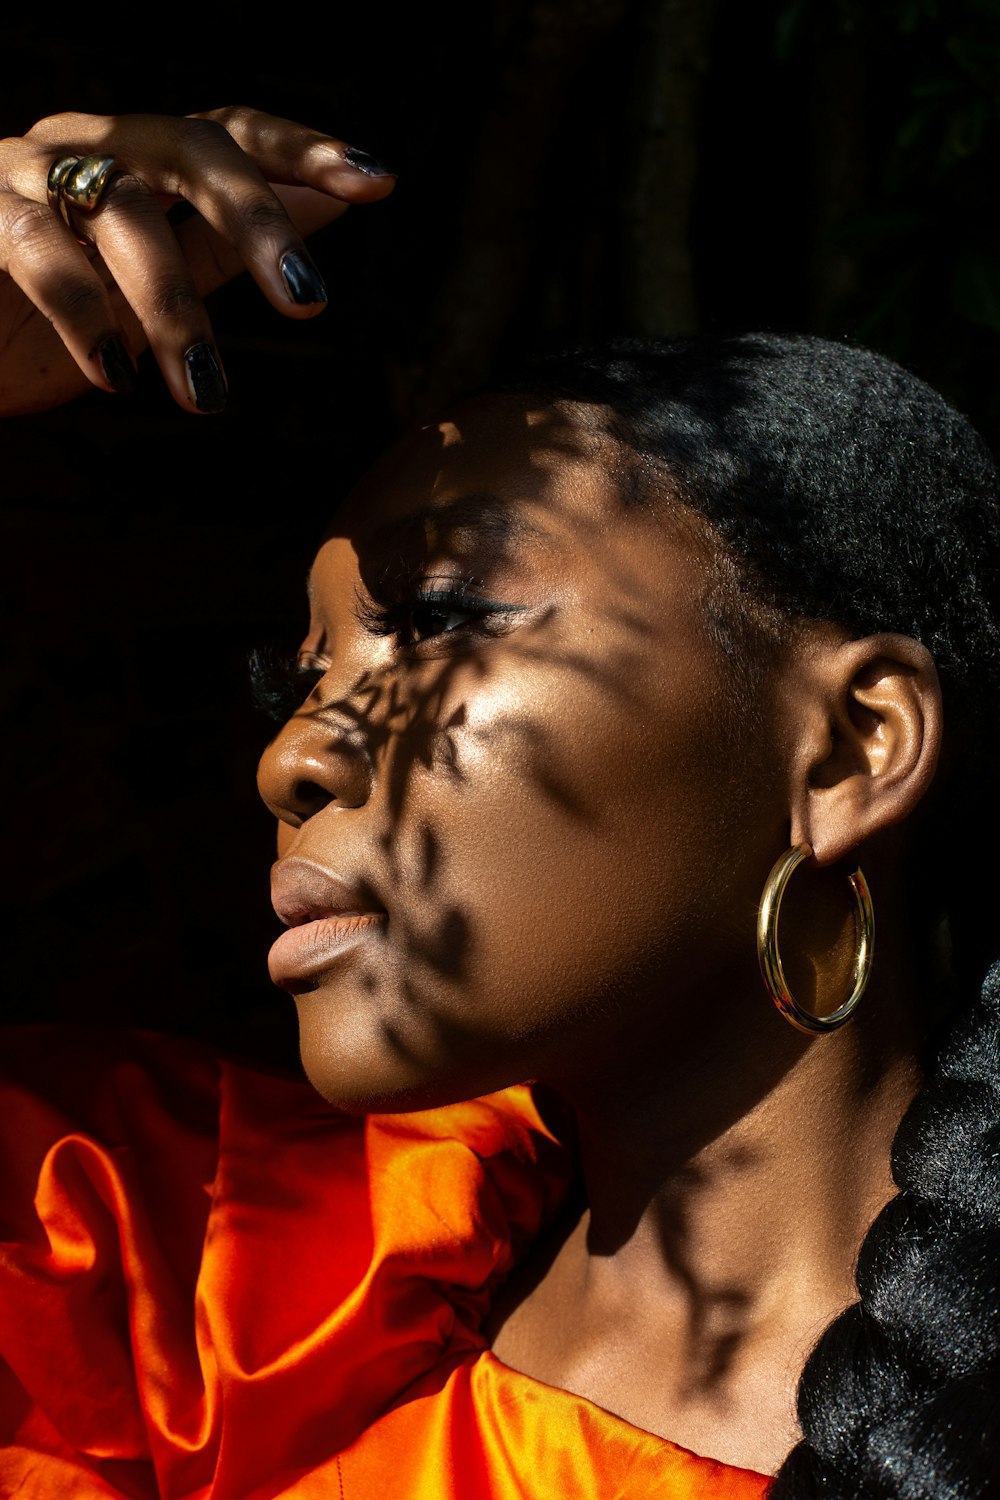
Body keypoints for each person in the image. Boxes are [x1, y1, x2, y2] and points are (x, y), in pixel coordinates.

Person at [0, 109, 997, 1500]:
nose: (291, 757)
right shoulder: (216, 1305)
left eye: (443, 618)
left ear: (849, 749)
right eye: (294, 678)